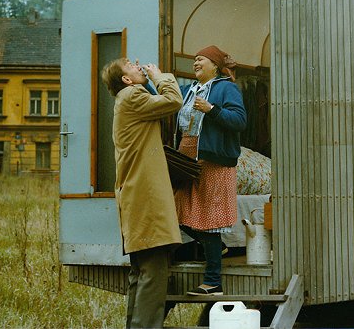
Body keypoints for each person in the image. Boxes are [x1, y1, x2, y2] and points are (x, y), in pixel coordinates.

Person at [101, 58, 183, 328]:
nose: (138, 66)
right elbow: (173, 101)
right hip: (145, 199)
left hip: (136, 198)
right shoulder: (134, 94)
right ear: (126, 80)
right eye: (131, 66)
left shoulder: (126, 99)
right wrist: (160, 77)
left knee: (141, 273)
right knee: (153, 275)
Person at [174, 45, 247, 295]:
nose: (195, 63)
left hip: (214, 160)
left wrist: (212, 110)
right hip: (187, 159)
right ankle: (218, 248)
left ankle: (213, 281)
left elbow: (239, 121)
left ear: (214, 65)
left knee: (209, 222)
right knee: (176, 212)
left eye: (200, 59)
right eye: (193, 59)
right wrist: (150, 78)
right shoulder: (189, 90)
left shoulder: (226, 87)